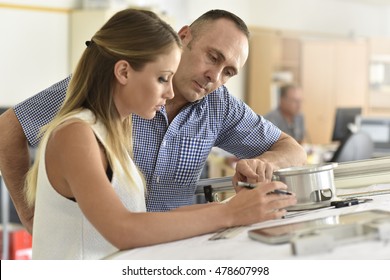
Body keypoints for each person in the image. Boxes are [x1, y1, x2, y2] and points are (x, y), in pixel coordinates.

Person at [0, 9, 306, 235]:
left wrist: (261, 165)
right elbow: (124, 227)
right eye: (213, 57)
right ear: (183, 37)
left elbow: (292, 150)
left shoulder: (217, 105)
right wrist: (30, 218)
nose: (216, 78)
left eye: (228, 72)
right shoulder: (84, 125)